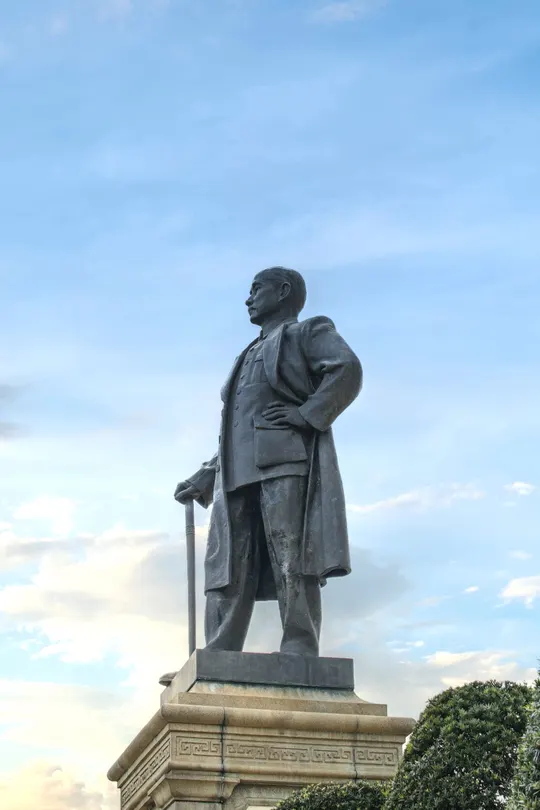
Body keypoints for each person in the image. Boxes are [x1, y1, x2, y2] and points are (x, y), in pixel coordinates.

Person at [174, 266, 362, 658]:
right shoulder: (245, 354)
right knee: (227, 565)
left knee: (291, 556)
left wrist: (307, 414)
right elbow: (237, 426)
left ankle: (299, 645)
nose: (248, 298)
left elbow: (347, 369)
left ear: (283, 291)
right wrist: (208, 474)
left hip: (284, 462)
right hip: (235, 474)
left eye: (256, 289)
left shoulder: (307, 331)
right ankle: (221, 650)